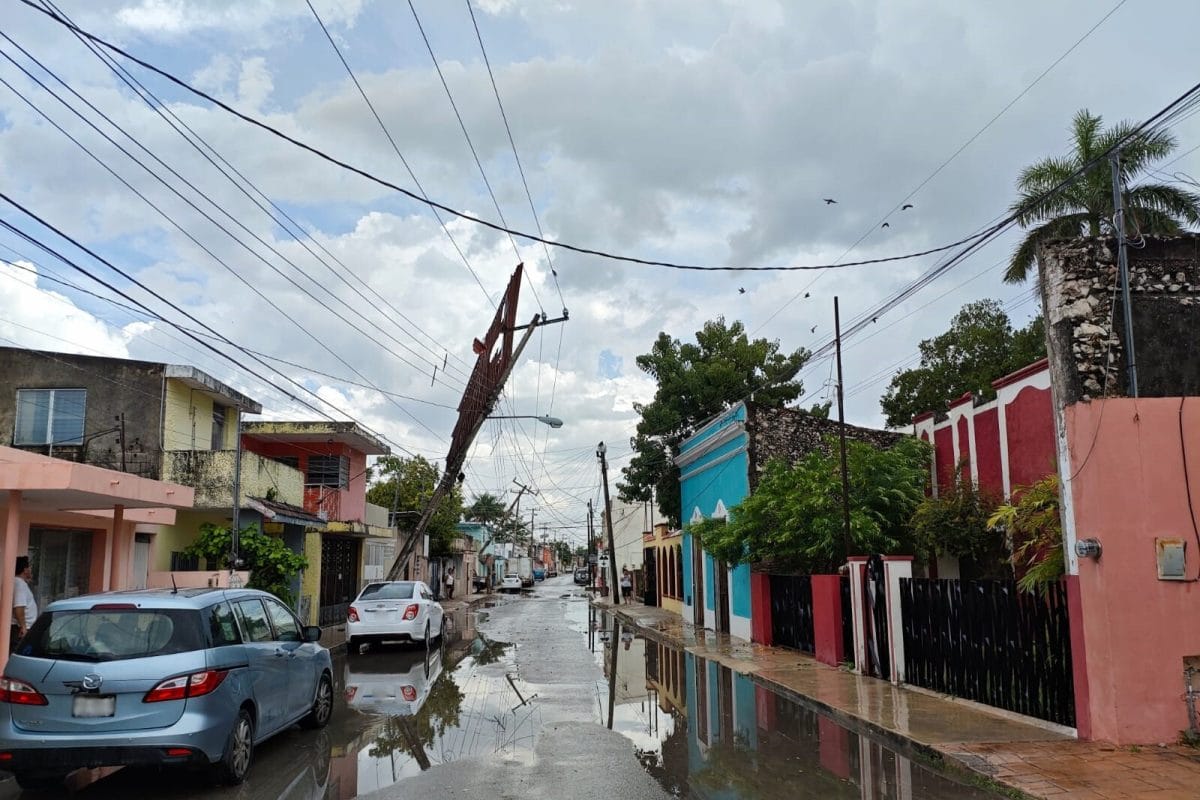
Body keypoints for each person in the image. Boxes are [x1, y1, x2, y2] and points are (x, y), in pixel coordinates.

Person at [12, 556, 36, 651]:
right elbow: (19, 607)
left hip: (19, 627)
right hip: (19, 629)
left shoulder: (16, 582)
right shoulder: (19, 584)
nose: (31, 570)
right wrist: (23, 627)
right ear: (25, 570)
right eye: (29, 567)